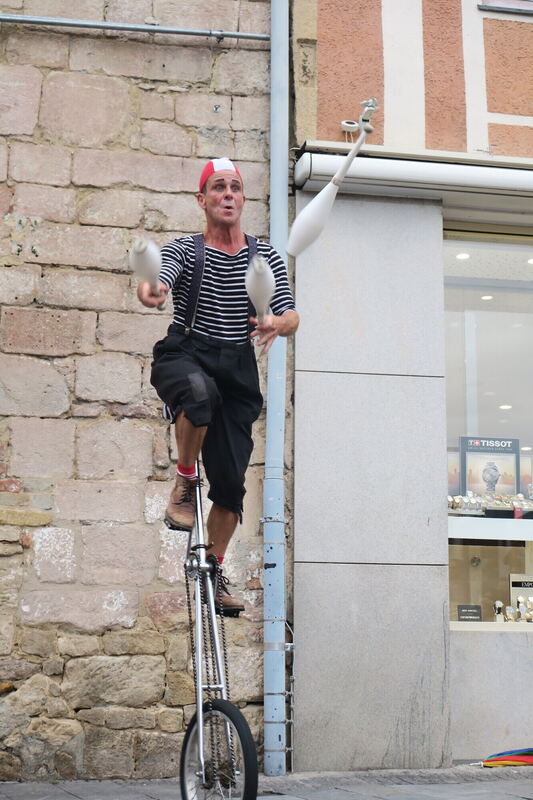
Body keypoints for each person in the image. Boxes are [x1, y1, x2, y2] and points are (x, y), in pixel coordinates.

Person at [137, 157, 299, 612]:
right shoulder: (186, 250)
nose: (227, 194)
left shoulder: (263, 255)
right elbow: (158, 282)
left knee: (230, 485)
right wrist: (150, 291)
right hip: (186, 352)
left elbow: (291, 312)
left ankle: (213, 570)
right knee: (198, 395)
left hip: (238, 367)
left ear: (243, 199)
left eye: (235, 188)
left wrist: (278, 322)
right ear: (203, 200)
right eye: (218, 187)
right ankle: (185, 482)